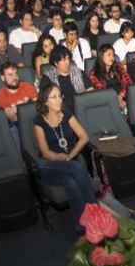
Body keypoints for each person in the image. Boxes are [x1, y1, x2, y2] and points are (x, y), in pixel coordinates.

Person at [32, 82, 97, 230]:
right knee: (77, 167)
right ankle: (96, 210)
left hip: (68, 164)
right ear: (45, 101)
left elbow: (84, 137)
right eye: (53, 97)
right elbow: (45, 152)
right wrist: (61, 157)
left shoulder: (66, 114)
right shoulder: (39, 121)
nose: (59, 100)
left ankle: (82, 228)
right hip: (48, 165)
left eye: (59, 96)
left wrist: (70, 155)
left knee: (71, 183)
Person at [0, 62, 35, 150]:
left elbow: (38, 107)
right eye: (10, 75)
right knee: (12, 130)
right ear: (3, 78)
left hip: (34, 122)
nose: (14, 77)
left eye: (15, 73)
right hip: (17, 126)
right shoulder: (1, 95)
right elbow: (13, 117)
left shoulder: (27, 86)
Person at [42, 46, 90, 114]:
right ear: (56, 63)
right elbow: (45, 99)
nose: (67, 62)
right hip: (60, 112)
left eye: (68, 59)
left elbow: (90, 90)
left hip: (81, 108)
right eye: (64, 60)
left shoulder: (78, 72)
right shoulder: (48, 77)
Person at [90, 44, 133, 111]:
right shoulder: (94, 73)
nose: (112, 58)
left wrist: (121, 95)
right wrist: (116, 102)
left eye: (113, 55)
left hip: (124, 97)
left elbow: (129, 83)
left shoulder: (118, 66)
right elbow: (101, 94)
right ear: (101, 56)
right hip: (108, 104)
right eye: (109, 55)